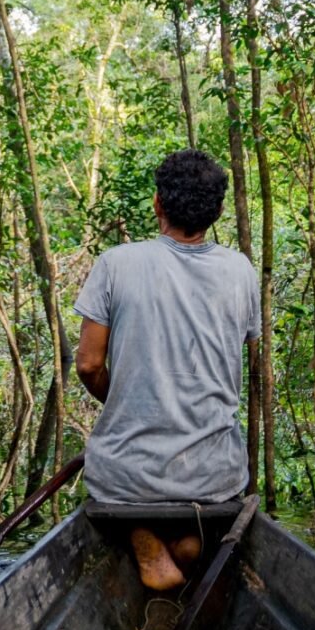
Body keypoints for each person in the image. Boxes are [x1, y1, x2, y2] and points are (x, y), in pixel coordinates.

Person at [73, 149, 261, 590]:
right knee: (192, 526)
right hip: (214, 475)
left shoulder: (116, 263)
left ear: (157, 203)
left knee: (112, 475)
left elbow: (88, 364)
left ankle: (146, 542)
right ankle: (184, 541)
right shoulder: (241, 271)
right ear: (216, 212)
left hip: (128, 477)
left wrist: (126, 404)